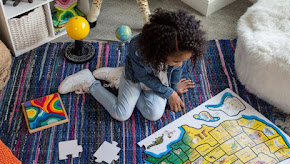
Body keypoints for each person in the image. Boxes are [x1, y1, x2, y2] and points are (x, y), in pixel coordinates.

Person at [58, 8, 206, 121]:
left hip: (157, 81)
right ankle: (89, 82)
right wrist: (169, 93)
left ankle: (117, 78)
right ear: (161, 50)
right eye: (176, 61)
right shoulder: (139, 48)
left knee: (153, 114)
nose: (180, 64)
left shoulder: (180, 52)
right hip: (134, 77)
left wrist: (172, 90)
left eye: (183, 60)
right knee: (121, 114)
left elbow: (176, 72)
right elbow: (143, 76)